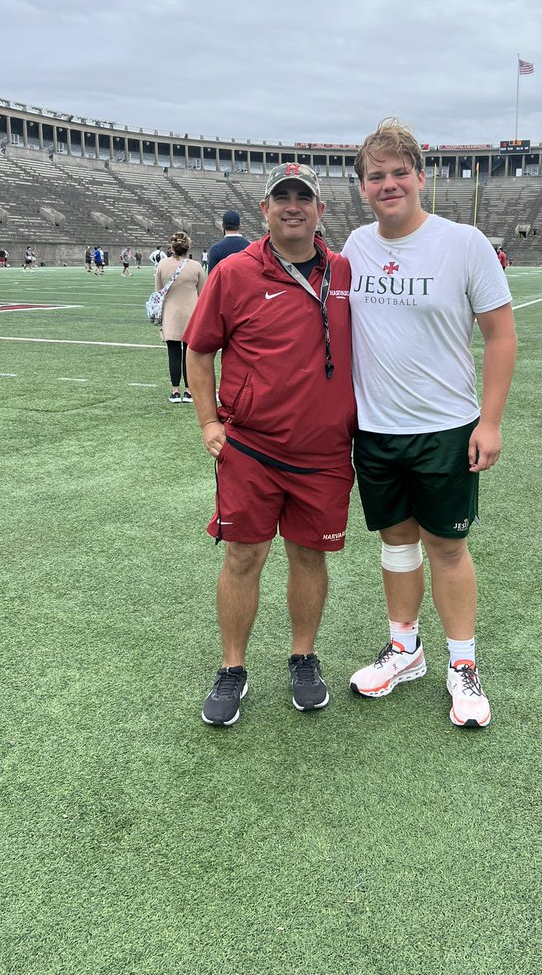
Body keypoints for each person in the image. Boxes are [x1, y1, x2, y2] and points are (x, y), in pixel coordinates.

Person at [342, 119, 517, 729]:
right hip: (375, 429)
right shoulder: (355, 247)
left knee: (446, 545)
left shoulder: (463, 243)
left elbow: (500, 335)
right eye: (376, 176)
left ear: (421, 177)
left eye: (399, 173)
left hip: (446, 426)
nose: (388, 184)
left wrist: (490, 422)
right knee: (396, 542)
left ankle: (462, 663)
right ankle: (405, 649)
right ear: (362, 187)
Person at [185, 163, 355, 727]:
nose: (293, 206)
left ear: (320, 210)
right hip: (252, 448)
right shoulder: (234, 272)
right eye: (281, 197)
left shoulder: (345, 271)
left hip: (324, 451)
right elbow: (199, 349)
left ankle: (303, 657)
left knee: (309, 555)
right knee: (243, 557)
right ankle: (232, 667)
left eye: (303, 197)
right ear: (264, 210)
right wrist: (208, 422)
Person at [155, 232, 205, 403]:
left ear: (172, 247)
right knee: (189, 355)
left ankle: (175, 391)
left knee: (173, 353)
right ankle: (189, 391)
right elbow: (202, 294)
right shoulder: (196, 266)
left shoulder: (162, 265)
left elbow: (158, 292)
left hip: (171, 314)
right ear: (188, 248)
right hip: (192, 315)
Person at [206, 209, 250, 274]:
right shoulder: (250, 247)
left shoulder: (215, 249)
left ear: (222, 225)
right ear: (240, 225)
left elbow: (212, 276)